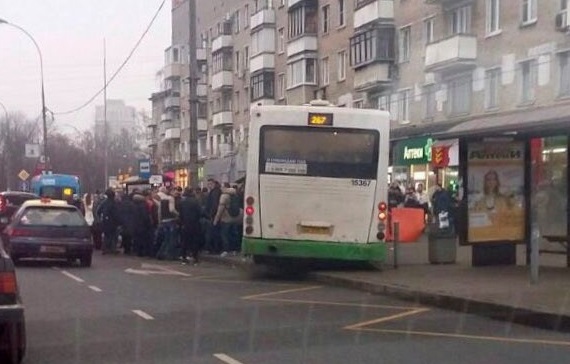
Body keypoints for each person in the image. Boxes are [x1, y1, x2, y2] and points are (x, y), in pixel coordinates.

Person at [178, 188, 204, 264]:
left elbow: (180, 213)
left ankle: (184, 257)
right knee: (194, 241)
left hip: (185, 224)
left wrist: (181, 222)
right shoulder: (196, 201)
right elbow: (200, 212)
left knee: (184, 241)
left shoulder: (182, 201)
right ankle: (195, 258)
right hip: (194, 223)